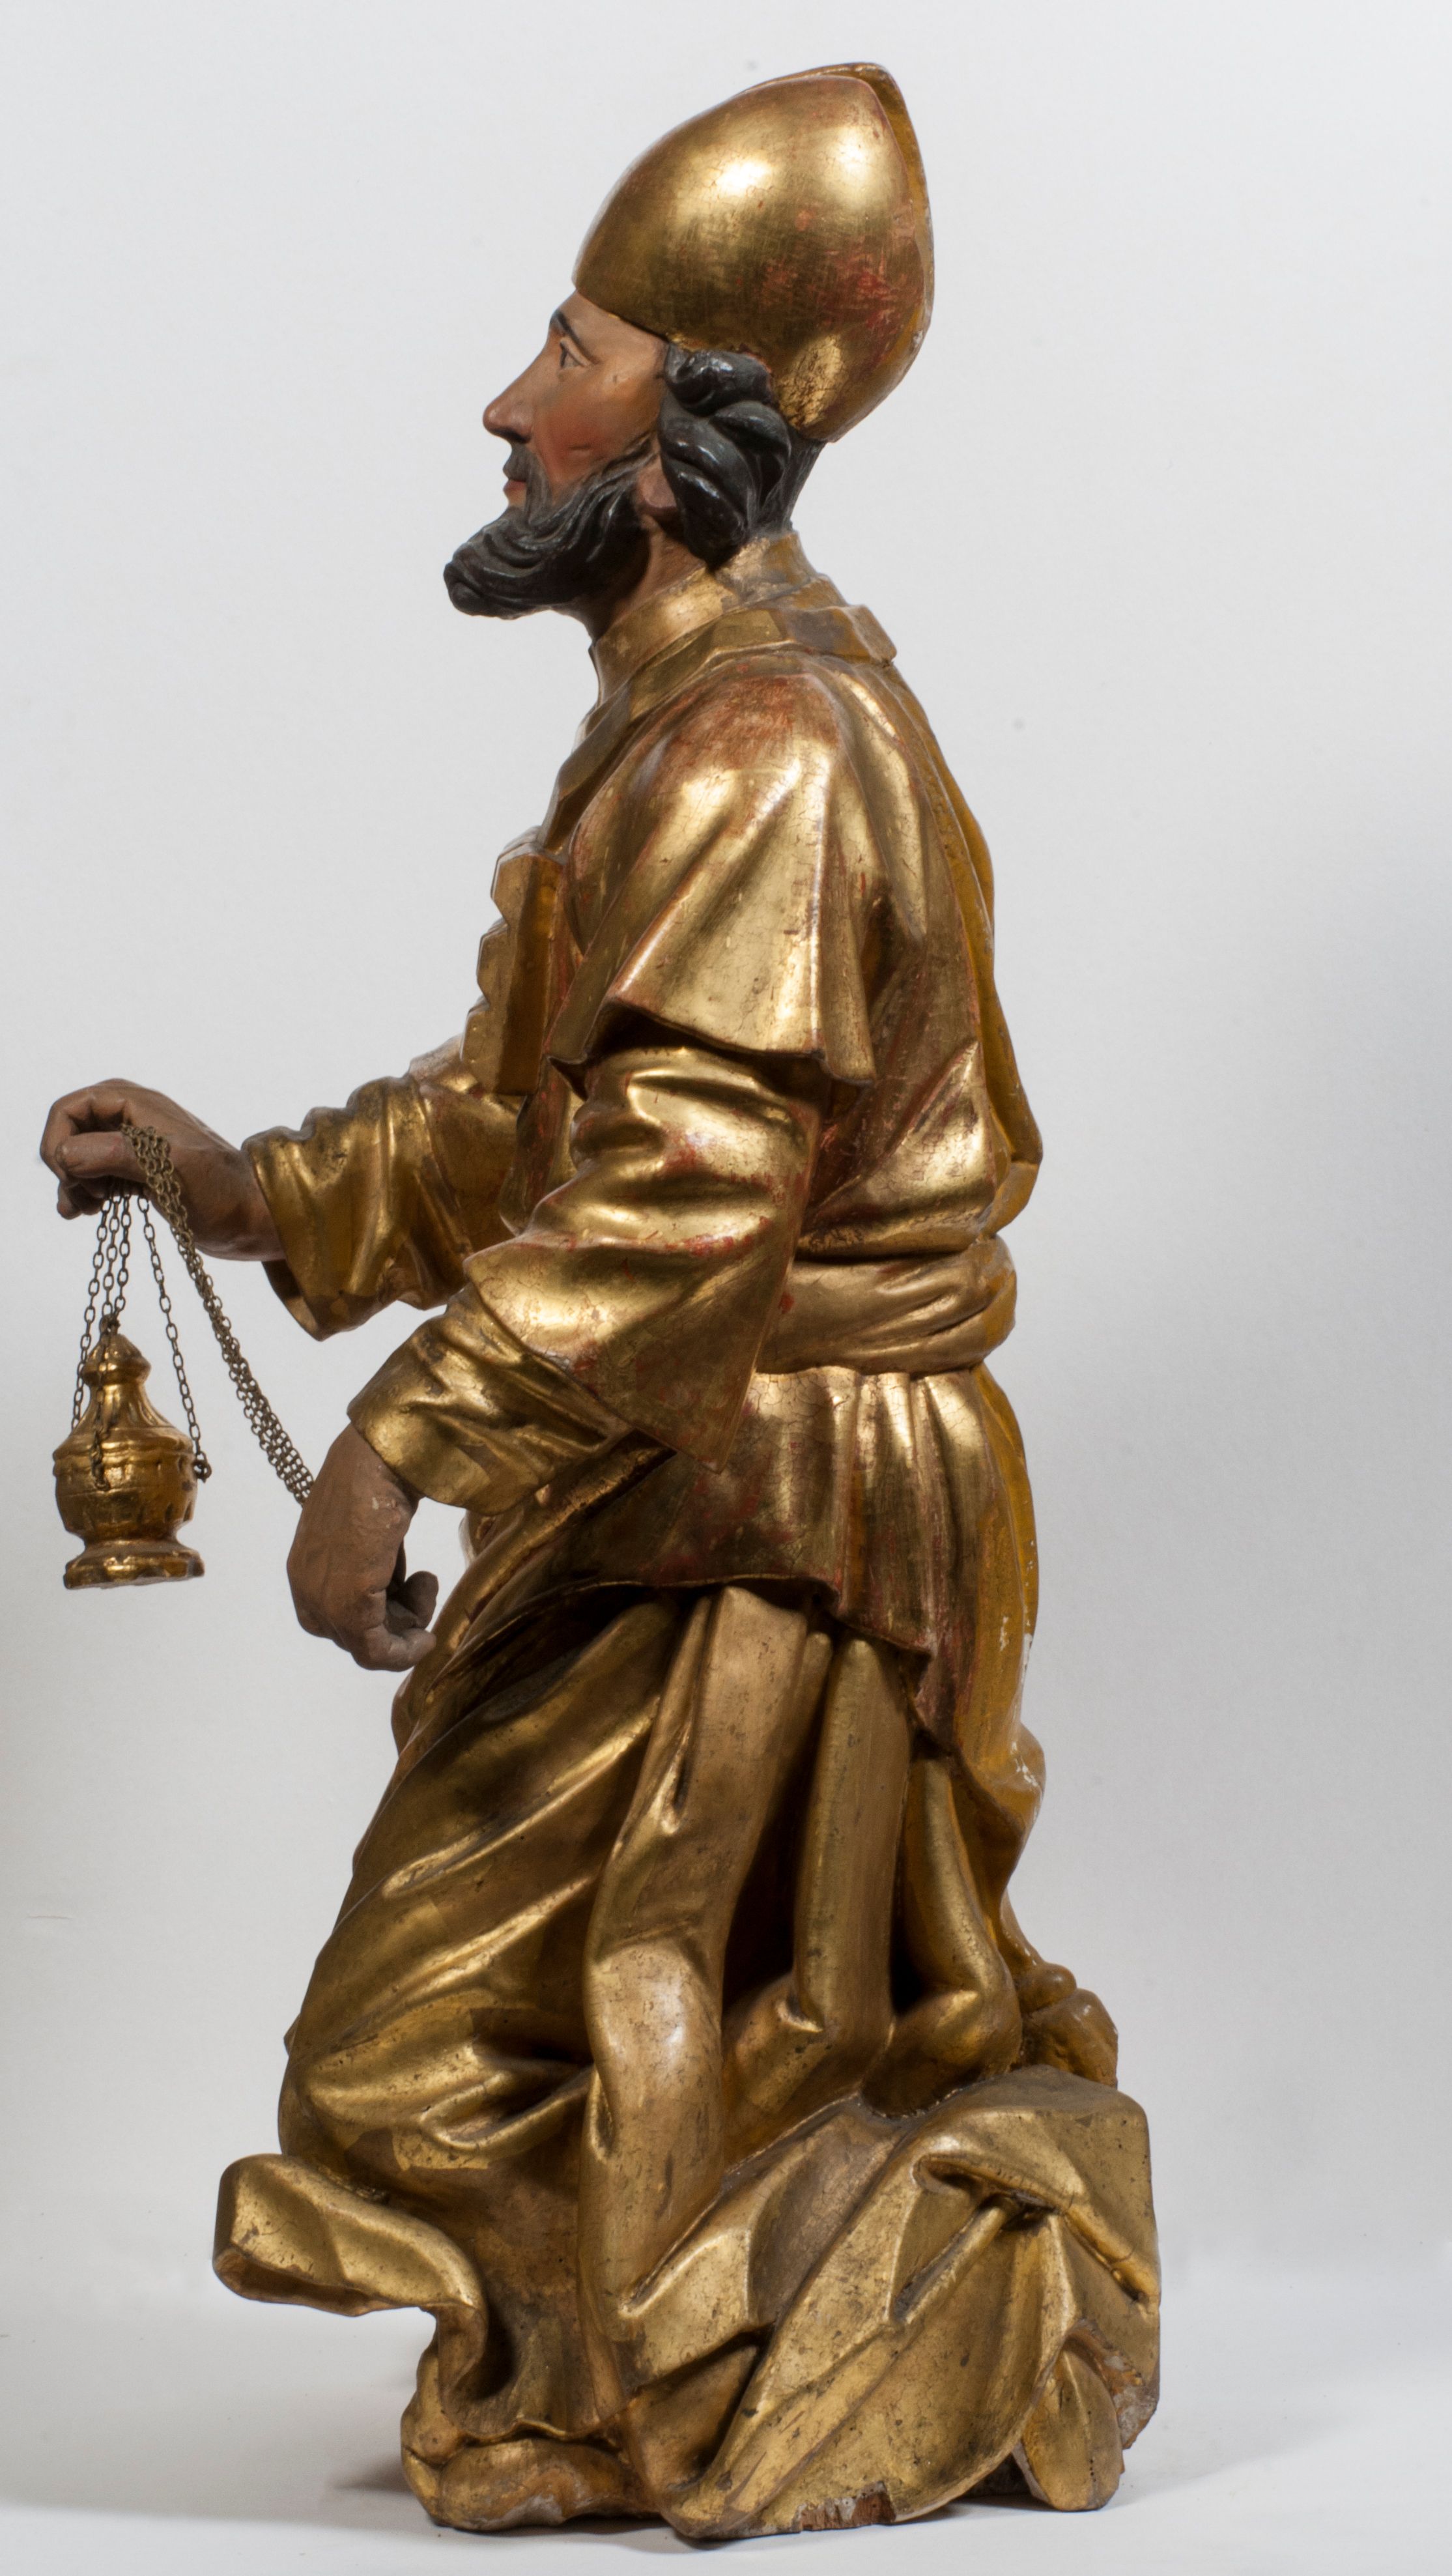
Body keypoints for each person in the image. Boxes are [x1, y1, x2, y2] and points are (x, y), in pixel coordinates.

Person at [40, 63, 1157, 2539]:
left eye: (567, 354)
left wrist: (395, 1443)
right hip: (683, 1458)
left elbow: (685, 1194)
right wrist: (251, 1192)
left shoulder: (768, 740)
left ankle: (814, 2324)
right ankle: (623, 2350)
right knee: (491, 2032)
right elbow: (529, 1123)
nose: (506, 407)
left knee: (613, 2008)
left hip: (789, 1509)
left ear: (682, 440)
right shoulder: (676, 718)